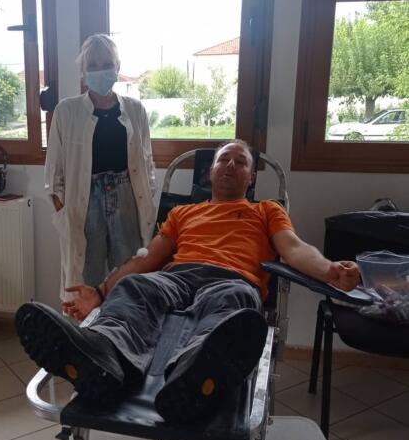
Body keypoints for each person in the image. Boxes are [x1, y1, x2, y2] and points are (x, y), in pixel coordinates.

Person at [18, 140, 360, 424]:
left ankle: (193, 373)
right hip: (178, 279)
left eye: (240, 162)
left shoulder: (266, 210)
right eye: (223, 159)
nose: (230, 165)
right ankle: (104, 356)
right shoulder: (182, 213)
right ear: (210, 172)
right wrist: (101, 291)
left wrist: (330, 270)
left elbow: (295, 249)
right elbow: (146, 260)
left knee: (232, 304)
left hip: (232, 279)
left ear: (251, 177)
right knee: (136, 287)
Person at [44, 33, 156, 301]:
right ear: (83, 72)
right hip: (84, 201)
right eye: (92, 65)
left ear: (117, 68)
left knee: (128, 274)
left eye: (106, 64)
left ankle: (124, 324)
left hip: (127, 197)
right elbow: (54, 171)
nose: (100, 70)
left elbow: (147, 161)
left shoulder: (136, 110)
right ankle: (86, 327)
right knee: (86, 278)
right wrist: (62, 209)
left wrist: (148, 192)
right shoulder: (66, 111)